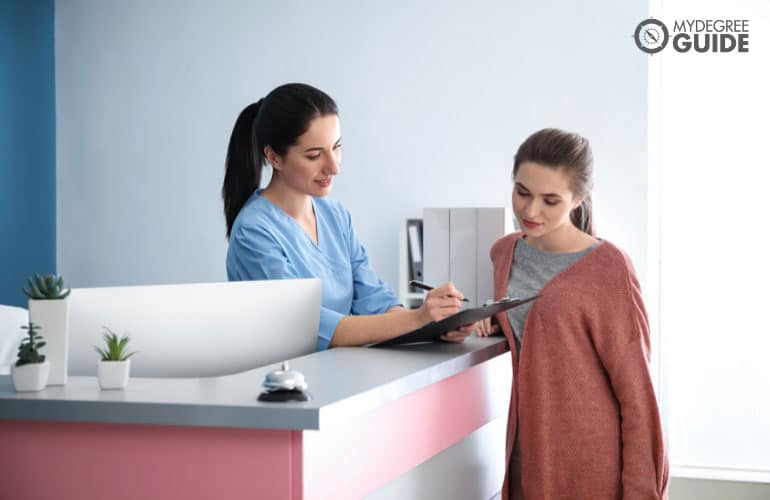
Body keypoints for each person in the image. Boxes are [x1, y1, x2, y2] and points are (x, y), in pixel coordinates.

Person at [477, 128, 669, 499]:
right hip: (526, 456)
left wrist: (642, 492)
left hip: (591, 466)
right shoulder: (503, 253)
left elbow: (637, 394)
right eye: (522, 192)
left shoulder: (610, 268)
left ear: (578, 198)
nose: (530, 211)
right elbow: (536, 333)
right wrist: (484, 317)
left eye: (550, 200)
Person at [222, 83, 473, 350]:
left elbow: (373, 298)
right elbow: (310, 328)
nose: (334, 167)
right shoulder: (254, 232)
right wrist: (418, 318)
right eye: (314, 155)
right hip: (284, 383)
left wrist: (434, 325)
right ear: (273, 157)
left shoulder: (335, 216)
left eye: (336, 147)